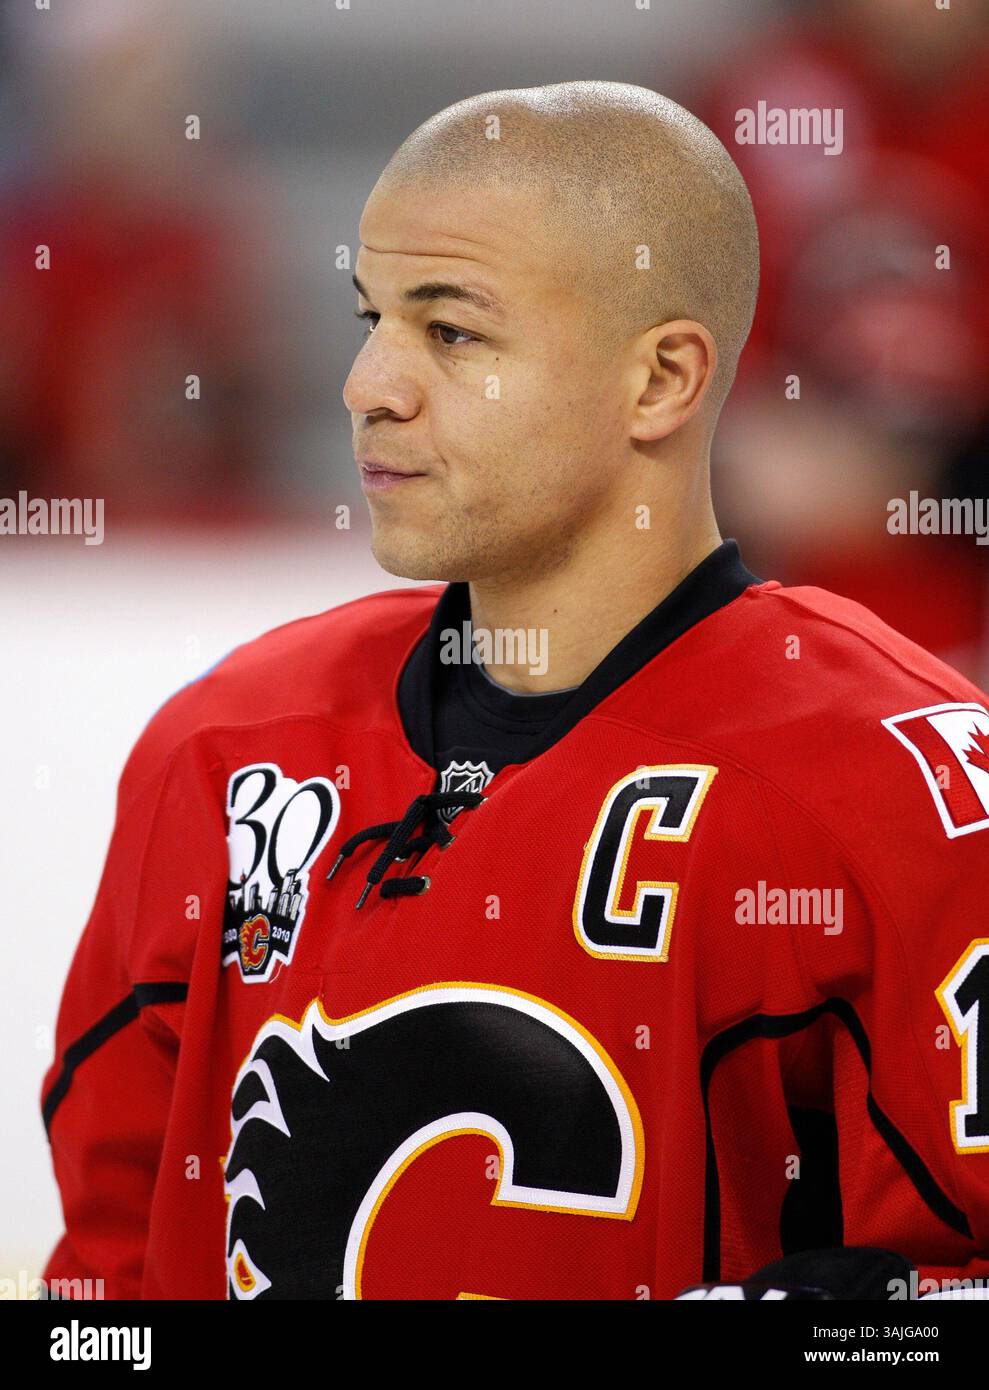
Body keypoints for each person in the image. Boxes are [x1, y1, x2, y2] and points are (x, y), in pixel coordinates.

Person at [41, 82, 989, 1301]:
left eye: (451, 332)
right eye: (368, 316)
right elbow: (107, 1284)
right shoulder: (225, 746)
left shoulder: (895, 779)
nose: (368, 384)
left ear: (658, 381)